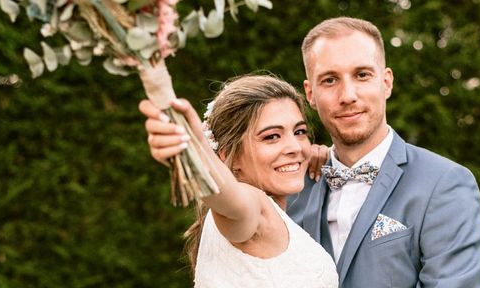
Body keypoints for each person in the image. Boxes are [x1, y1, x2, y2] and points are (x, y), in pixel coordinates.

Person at [144, 17, 480, 287]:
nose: (348, 94)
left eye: (362, 75)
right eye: (330, 80)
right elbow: (230, 199)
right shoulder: (287, 186)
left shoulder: (444, 184)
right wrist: (195, 153)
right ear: (310, 93)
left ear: (386, 82)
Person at [140, 74, 338, 288]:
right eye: (271, 136)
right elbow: (228, 195)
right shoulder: (252, 207)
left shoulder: (276, 214)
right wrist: (194, 148)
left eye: (299, 132)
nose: (296, 147)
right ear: (227, 156)